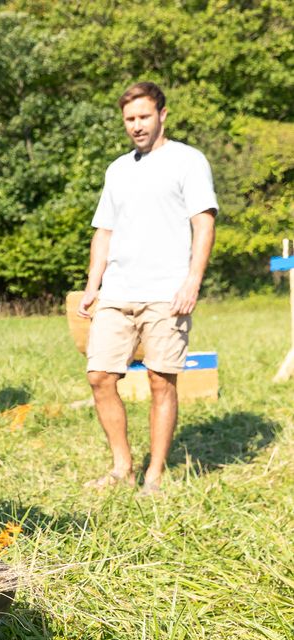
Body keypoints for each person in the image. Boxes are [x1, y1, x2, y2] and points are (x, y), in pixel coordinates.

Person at [79, 81, 217, 496]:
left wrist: (192, 281)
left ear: (162, 115)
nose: (137, 126)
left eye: (143, 116)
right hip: (118, 290)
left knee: (161, 380)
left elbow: (204, 223)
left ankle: (154, 474)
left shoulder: (188, 161)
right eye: (129, 119)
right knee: (100, 376)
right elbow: (104, 231)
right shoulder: (118, 169)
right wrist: (92, 285)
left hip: (167, 290)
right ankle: (122, 465)